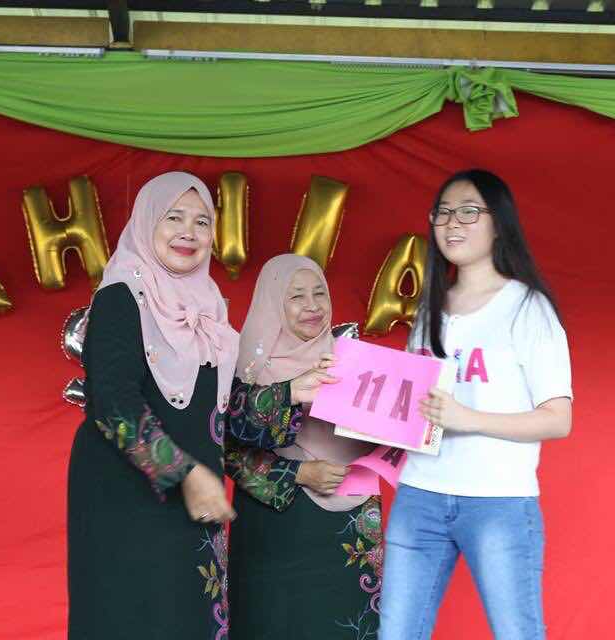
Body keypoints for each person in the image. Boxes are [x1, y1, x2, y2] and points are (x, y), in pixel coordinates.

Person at [379, 169, 573, 640]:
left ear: (499, 224)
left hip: (498, 501)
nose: (452, 223)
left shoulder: (527, 307)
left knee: (517, 633)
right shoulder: (429, 310)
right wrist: (346, 385)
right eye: (443, 213)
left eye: (468, 211)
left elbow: (558, 419)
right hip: (419, 495)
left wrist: (468, 418)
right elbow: (411, 407)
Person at [67, 172, 240, 640]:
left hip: (193, 499)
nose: (189, 232)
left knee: (189, 617)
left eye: (202, 222)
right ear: (146, 223)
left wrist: (299, 390)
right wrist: (185, 473)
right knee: (138, 619)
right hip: (127, 498)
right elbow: (113, 402)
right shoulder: (121, 296)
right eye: (174, 218)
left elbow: (227, 412)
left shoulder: (210, 310)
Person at [226, 254, 382, 640]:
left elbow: (391, 438)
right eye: (296, 296)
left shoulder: (356, 366)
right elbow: (226, 448)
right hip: (279, 529)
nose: (312, 306)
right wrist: (299, 472)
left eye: (319, 293)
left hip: (351, 528)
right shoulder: (243, 368)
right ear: (273, 302)